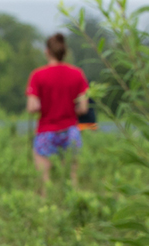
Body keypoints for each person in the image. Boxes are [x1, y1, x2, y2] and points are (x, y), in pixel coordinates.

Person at [26, 33, 89, 196]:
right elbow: (83, 108)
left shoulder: (37, 75)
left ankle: (47, 210)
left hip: (46, 130)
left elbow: (32, 107)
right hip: (70, 131)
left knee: (44, 179)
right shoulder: (77, 74)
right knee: (72, 177)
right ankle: (72, 207)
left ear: (47, 51)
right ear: (65, 52)